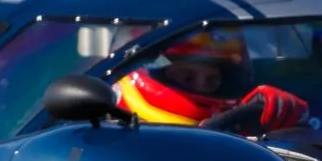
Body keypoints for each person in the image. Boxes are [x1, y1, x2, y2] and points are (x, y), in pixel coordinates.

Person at [114, 28, 309, 135]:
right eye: (188, 77)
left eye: (212, 79)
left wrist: (286, 123)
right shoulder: (116, 132)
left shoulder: (244, 128)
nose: (201, 85)